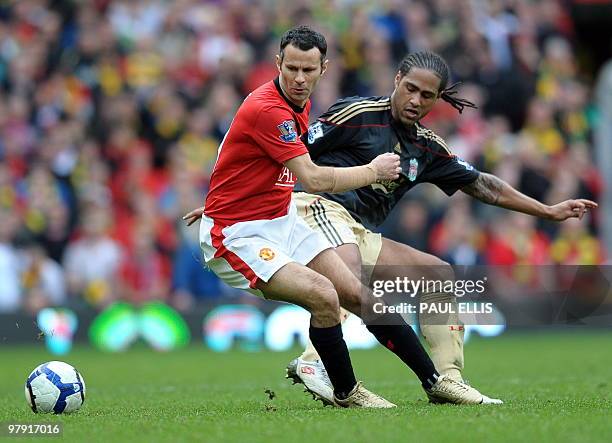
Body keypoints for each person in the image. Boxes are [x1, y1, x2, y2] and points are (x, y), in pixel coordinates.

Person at [185, 50, 597, 406]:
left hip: (358, 228)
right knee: (349, 282)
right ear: (397, 80)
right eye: (411, 89)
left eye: (427, 95)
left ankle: (448, 379)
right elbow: (285, 151)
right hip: (316, 209)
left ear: (437, 100)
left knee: (438, 274)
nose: (416, 100)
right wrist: (232, 199)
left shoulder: (428, 148)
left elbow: (483, 184)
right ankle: (315, 360)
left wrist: (546, 210)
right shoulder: (357, 114)